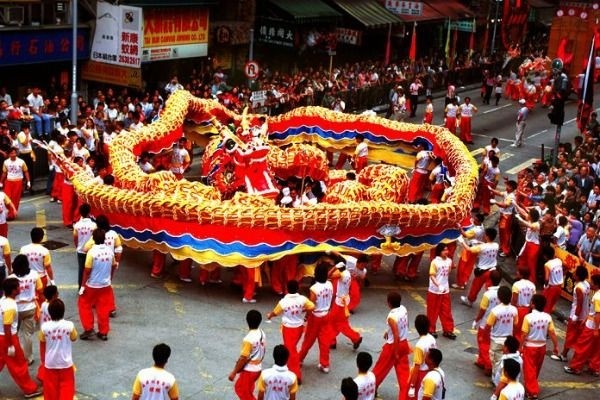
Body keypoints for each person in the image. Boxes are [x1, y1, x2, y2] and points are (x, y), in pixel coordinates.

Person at [0, 277, 43, 398]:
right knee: (18, 364)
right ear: (13, 291)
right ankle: (30, 390)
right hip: (8, 338)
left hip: (1, 337)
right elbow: (7, 326)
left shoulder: (3, 300)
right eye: (18, 287)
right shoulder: (10, 306)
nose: (21, 288)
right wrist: (10, 345)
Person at [267, 280, 314, 383]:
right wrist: (304, 312)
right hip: (299, 327)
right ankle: (289, 365)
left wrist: (269, 316)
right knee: (291, 348)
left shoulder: (283, 302)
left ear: (287, 289)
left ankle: (296, 375)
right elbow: (312, 306)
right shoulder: (302, 299)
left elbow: (275, 312)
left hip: (288, 329)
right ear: (297, 288)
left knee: (292, 351)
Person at [78, 229, 116, 341]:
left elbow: (87, 271)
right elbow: (113, 267)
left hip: (92, 285)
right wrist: (110, 279)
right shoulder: (110, 251)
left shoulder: (92, 252)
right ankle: (103, 332)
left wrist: (83, 286)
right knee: (103, 308)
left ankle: (88, 328)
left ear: (93, 239)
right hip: (105, 285)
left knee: (83, 304)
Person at [371, 292, 411, 400]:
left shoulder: (391, 317)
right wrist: (388, 332)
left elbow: (396, 335)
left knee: (380, 368)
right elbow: (405, 325)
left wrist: (395, 352)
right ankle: (406, 396)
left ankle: (371, 387)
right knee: (404, 374)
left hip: (393, 346)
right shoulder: (403, 309)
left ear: (389, 303)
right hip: (404, 343)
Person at [520, 294, 559, 399]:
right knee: (536, 369)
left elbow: (524, 334)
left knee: (529, 369)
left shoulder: (528, 317)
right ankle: (531, 386)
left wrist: (520, 347)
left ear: (533, 304)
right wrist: (556, 346)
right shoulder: (548, 317)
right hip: (542, 347)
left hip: (530, 346)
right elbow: (552, 333)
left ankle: (532, 392)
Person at [298, 262, 334, 374]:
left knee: (308, 340)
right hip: (327, 314)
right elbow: (332, 300)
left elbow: (311, 305)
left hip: (316, 316)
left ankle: (299, 359)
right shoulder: (330, 284)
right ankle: (325, 364)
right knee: (324, 341)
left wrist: (305, 316)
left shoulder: (314, 288)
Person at [39, 298, 77, 400]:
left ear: (50, 313)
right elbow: (74, 338)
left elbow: (42, 340)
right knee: (67, 387)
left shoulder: (44, 327)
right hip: (66, 363)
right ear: (63, 311)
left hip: (50, 363)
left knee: (50, 389)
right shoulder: (70, 325)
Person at [8, 254, 42, 366]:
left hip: (14, 309)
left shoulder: (10, 278)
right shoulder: (34, 274)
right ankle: (29, 358)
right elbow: (40, 289)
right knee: (27, 334)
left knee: (14, 333)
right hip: (30, 307)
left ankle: (14, 354)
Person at [564, 274, 600, 375]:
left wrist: (596, 328)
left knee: (582, 346)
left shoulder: (597, 297)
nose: (590, 283)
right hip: (595, 324)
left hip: (592, 326)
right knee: (596, 348)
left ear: (596, 284)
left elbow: (598, 314)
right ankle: (594, 368)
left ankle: (576, 367)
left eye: (592, 282)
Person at [552, 266, 590, 362]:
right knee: (579, 339)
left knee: (570, 337)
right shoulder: (586, 284)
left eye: (574, 273)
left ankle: (563, 355)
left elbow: (579, 304)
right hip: (584, 315)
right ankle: (583, 358)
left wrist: (575, 318)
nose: (573, 274)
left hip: (577, 316)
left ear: (578, 276)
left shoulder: (578, 288)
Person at [229, 309, 266, 400]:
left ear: (247, 321)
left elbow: (243, 358)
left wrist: (234, 372)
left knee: (242, 391)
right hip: (258, 368)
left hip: (249, 371)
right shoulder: (262, 333)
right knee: (247, 390)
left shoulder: (248, 339)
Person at [472, 270, 501, 376]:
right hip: (497, 324)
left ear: (489, 280)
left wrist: (476, 320)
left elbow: (482, 310)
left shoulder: (487, 294)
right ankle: (481, 361)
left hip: (486, 323)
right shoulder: (501, 292)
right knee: (489, 343)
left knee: (483, 343)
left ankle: (488, 365)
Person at [459, 228, 499, 307]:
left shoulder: (482, 247)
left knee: (475, 287)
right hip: (492, 270)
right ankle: (493, 303)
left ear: (487, 236)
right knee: (491, 288)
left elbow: (469, 249)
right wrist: (478, 242)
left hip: (482, 272)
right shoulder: (496, 245)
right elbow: (487, 245)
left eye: (485, 235)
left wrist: (461, 241)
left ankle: (470, 301)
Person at [328, 260, 362, 350]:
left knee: (337, 323)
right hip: (344, 300)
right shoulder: (347, 273)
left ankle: (355, 338)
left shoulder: (341, 274)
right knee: (337, 322)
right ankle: (332, 341)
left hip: (340, 302)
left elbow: (329, 275)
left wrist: (334, 267)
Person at [486, 286, 519, 379]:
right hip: (508, 340)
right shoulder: (514, 310)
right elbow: (516, 325)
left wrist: (484, 336)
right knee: (506, 361)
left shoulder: (495, 311)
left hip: (496, 340)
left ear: (499, 297)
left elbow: (488, 326)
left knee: (496, 362)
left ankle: (496, 380)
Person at [427, 243, 456, 339]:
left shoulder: (449, 261)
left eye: (447, 249)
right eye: (444, 250)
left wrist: (443, 286)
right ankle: (431, 329)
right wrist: (438, 285)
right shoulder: (435, 262)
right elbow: (432, 275)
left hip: (445, 290)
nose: (446, 252)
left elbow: (447, 274)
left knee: (446, 311)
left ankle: (448, 330)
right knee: (432, 311)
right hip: (434, 291)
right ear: (439, 252)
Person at [453, 213, 485, 290]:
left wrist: (459, 227)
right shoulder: (482, 227)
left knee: (462, 265)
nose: (473, 220)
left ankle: (460, 284)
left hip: (469, 249)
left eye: (475, 220)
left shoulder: (475, 231)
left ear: (478, 221)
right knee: (469, 266)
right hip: (475, 249)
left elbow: (465, 235)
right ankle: (465, 280)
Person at [407, 315, 437, 398]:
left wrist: (412, 386)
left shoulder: (419, 345)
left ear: (416, 327)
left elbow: (417, 367)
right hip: (430, 371)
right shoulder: (432, 338)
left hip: (421, 375)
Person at [0, 147, 31, 218]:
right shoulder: (6, 162)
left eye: (14, 153)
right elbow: (4, 173)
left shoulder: (21, 161)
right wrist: (1, 182)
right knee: (6, 198)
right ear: (8, 154)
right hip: (8, 181)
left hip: (18, 182)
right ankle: (8, 211)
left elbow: (26, 171)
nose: (13, 154)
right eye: (11, 153)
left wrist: (28, 181)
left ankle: (12, 214)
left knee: (15, 199)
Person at [515, 207, 541, 285]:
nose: (527, 215)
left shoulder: (536, 224)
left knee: (531, 264)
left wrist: (520, 219)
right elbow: (523, 212)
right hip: (527, 244)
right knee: (521, 259)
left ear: (532, 216)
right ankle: (520, 275)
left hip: (534, 246)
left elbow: (531, 226)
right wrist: (515, 203)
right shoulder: (530, 220)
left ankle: (531, 281)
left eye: (529, 214)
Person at [73, 203, 97, 288]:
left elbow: (75, 238)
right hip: (91, 251)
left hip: (80, 250)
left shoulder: (77, 225)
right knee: (91, 269)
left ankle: (80, 287)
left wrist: (77, 247)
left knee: (81, 270)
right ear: (89, 212)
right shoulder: (94, 225)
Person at [510, 268, 536, 342]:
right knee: (524, 331)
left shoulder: (516, 285)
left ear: (521, 275)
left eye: (518, 272)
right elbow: (532, 300)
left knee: (515, 330)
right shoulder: (532, 285)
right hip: (528, 310)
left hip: (518, 310)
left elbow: (514, 300)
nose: (517, 272)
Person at [542, 247, 564, 314]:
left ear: (545, 256)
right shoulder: (559, 260)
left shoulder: (547, 264)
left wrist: (545, 286)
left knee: (545, 306)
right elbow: (566, 266)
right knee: (551, 306)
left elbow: (546, 278)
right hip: (559, 288)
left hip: (551, 288)